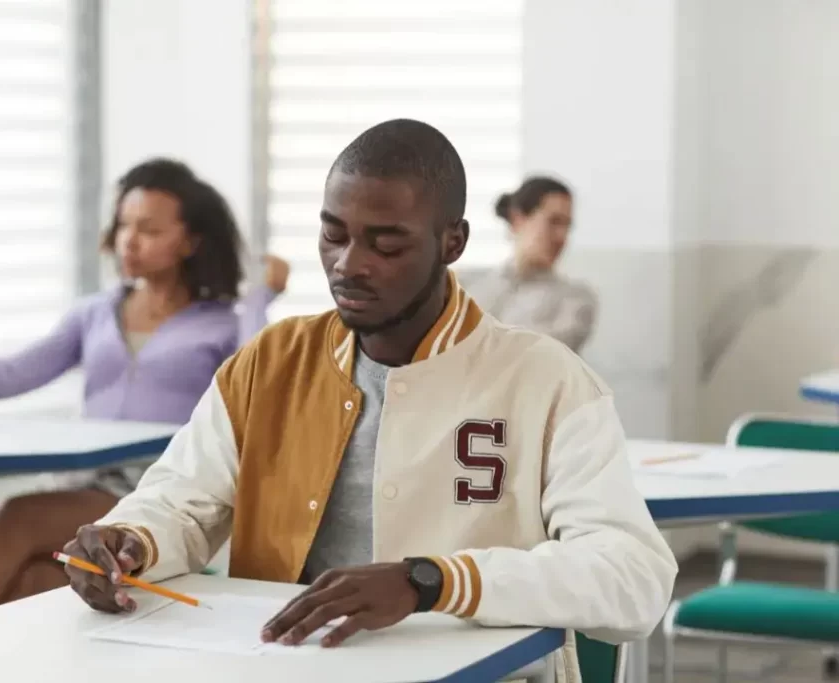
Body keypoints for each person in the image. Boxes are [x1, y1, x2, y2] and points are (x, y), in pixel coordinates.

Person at [64, 121, 677, 680]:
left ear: (452, 242)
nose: (348, 265)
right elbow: (180, 504)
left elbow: (636, 578)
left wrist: (432, 581)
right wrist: (130, 539)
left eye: (387, 245)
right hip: (288, 668)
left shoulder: (546, 380)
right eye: (333, 235)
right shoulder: (271, 362)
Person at [0, 158, 289, 683]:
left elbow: (260, 398)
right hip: (83, 489)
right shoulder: (95, 313)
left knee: (19, 516)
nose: (129, 241)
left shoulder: (222, 322)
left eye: (149, 229)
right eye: (124, 225)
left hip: (150, 495)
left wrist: (259, 299)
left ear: (190, 242)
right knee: (34, 578)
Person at [467, 176, 597, 353]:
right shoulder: (470, 287)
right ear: (518, 220)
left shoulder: (577, 299)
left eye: (567, 226)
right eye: (554, 221)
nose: (562, 237)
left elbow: (537, 358)